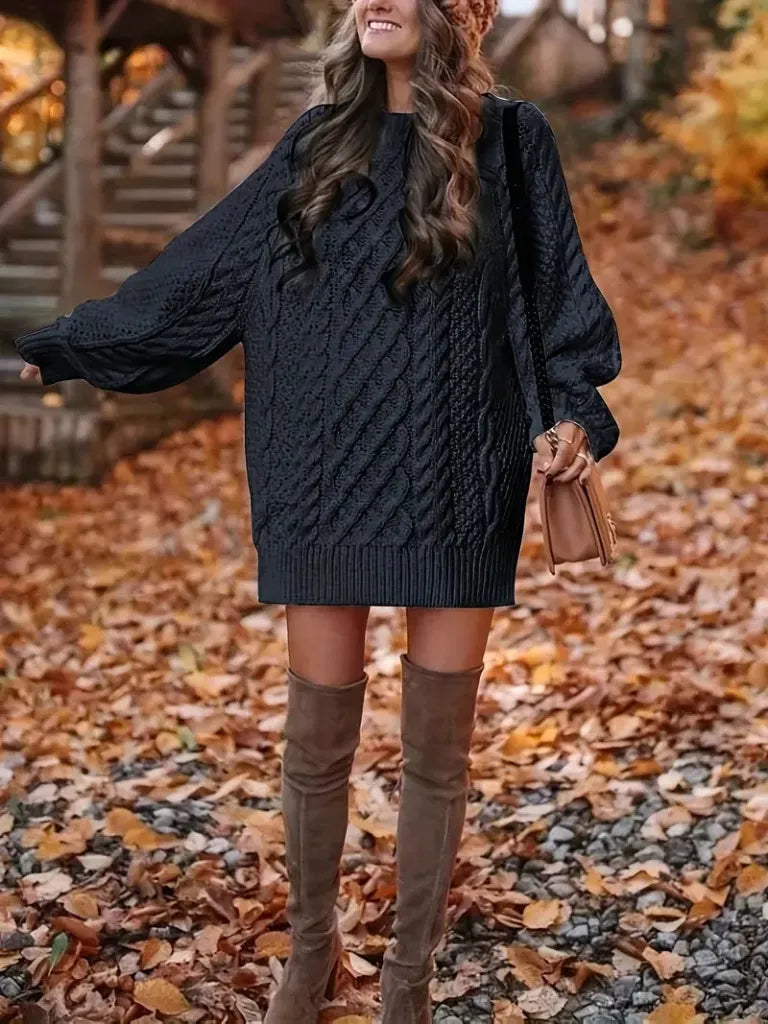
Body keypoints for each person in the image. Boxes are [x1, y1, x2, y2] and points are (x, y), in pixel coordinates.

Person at [16, 0, 622, 1020]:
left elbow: (554, 289)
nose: (369, 2)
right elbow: (203, 274)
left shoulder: (512, 138)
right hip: (323, 465)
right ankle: (311, 956)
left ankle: (409, 980)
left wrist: (571, 409)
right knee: (317, 743)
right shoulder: (317, 139)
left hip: (459, 464)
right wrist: (67, 345)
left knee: (437, 747)